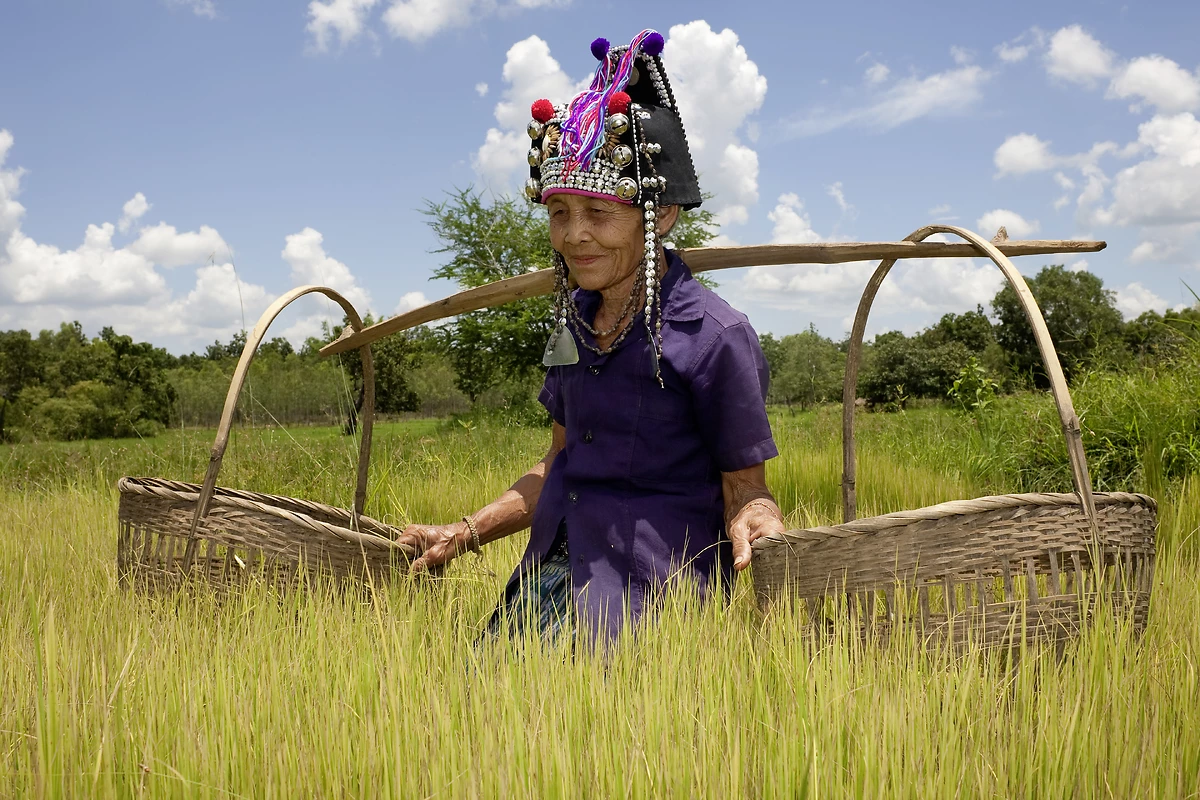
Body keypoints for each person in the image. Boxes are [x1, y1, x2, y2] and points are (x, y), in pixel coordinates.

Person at [400, 29, 785, 642]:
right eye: (558, 213)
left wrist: (759, 517)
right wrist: (465, 531)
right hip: (549, 584)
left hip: (651, 604)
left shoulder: (716, 337)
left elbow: (746, 491)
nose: (574, 235)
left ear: (658, 216)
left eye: (598, 213)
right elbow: (559, 459)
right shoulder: (573, 324)